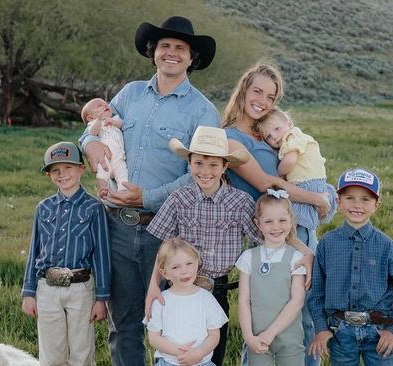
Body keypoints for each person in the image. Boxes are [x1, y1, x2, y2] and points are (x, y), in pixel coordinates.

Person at [78, 16, 219, 366]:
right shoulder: (130, 94)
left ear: (192, 59)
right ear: (153, 51)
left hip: (168, 231)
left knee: (175, 320)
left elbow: (201, 175)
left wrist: (146, 197)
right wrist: (90, 145)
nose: (171, 53)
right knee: (123, 321)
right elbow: (96, 129)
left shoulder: (203, 111)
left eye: (180, 48)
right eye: (165, 46)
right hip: (116, 225)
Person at [221, 63, 328, 366]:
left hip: (297, 227)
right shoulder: (230, 138)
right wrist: (318, 198)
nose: (263, 101)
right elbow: (266, 184)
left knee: (304, 312)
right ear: (243, 90)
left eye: (271, 97)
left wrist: (322, 194)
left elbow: (301, 166)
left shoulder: (269, 134)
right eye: (257, 92)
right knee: (262, 316)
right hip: (267, 236)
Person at [145, 125, 258, 366]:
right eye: (198, 163)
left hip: (216, 290)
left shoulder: (241, 202)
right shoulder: (179, 198)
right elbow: (165, 244)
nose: (205, 171)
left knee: (211, 353)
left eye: (213, 165)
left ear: (225, 166)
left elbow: (260, 244)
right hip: (176, 288)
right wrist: (154, 285)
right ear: (189, 163)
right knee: (174, 349)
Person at [308, 168, 393, 365]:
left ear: (377, 204)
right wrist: (322, 328)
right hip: (340, 332)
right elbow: (316, 292)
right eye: (350, 197)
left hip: (379, 332)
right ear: (338, 201)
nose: (357, 205)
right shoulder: (327, 243)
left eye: (365, 199)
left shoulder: (385, 245)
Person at [21, 141, 111, 366]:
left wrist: (102, 298)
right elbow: (34, 252)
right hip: (47, 289)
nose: (62, 175)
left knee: (81, 352)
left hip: (80, 289)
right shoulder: (43, 208)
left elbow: (102, 255)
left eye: (68, 168)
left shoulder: (94, 208)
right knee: (51, 355)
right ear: (49, 175)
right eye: (55, 170)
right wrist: (29, 292)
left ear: (81, 169)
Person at [236, 188, 307, 366]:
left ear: (291, 221)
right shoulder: (249, 257)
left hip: (289, 339)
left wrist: (271, 333)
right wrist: (248, 337)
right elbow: (243, 300)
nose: (276, 227)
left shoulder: (296, 258)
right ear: (257, 223)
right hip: (257, 338)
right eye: (268, 221)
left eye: (282, 220)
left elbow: (297, 301)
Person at [145, 238, 228, 366]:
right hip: (169, 362)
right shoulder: (161, 301)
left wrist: (198, 353)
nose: (184, 271)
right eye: (175, 267)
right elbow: (154, 338)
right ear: (164, 273)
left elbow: (214, 335)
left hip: (202, 362)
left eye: (189, 263)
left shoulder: (207, 298)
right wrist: (180, 353)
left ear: (197, 263)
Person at [256, 108, 337, 234]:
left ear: (289, 123)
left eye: (277, 129)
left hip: (307, 185)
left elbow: (289, 162)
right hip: (314, 183)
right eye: (269, 136)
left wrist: (279, 174)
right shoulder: (296, 138)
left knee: (290, 217)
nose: (275, 136)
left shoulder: (292, 136)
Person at [80, 97, 128, 196]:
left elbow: (123, 125)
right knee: (103, 172)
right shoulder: (94, 123)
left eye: (106, 103)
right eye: (99, 105)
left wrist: (114, 122)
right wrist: (99, 119)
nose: (105, 105)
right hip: (106, 156)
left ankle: (122, 191)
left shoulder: (115, 118)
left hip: (120, 157)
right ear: (90, 118)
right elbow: (93, 133)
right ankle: (103, 188)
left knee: (122, 174)